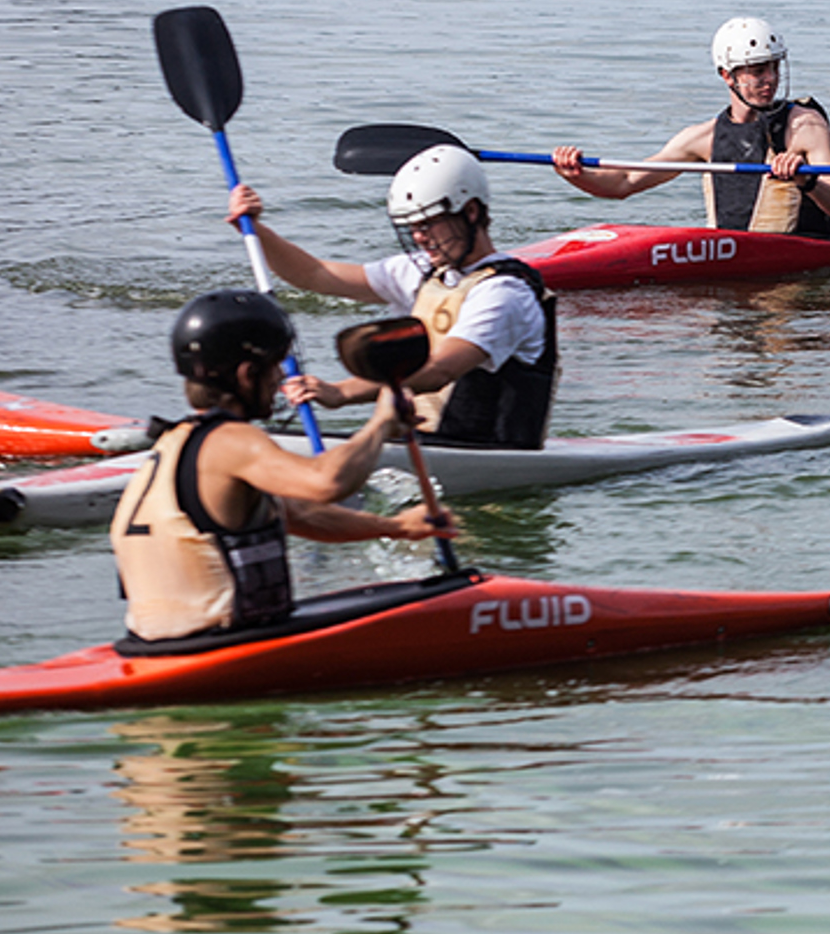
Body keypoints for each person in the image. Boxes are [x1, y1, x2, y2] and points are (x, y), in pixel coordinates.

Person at [111, 290, 453, 644]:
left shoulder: (173, 442)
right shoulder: (232, 441)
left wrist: (399, 527)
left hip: (149, 644)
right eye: (274, 367)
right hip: (222, 645)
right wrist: (381, 423)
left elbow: (301, 515)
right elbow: (328, 482)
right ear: (247, 374)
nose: (278, 380)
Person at [227, 144, 560, 449]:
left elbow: (439, 371)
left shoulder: (504, 294)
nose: (419, 237)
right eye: (413, 226)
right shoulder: (422, 272)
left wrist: (341, 392)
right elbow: (313, 275)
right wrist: (256, 230)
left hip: (491, 453)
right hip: (421, 441)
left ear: (470, 211)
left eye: (429, 223)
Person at [550, 16, 830, 239]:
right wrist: (575, 174)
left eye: (774, 67)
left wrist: (807, 181)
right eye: (757, 71)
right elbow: (624, 182)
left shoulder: (805, 126)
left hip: (802, 271)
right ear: (727, 76)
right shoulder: (702, 139)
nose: (770, 79)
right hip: (733, 266)